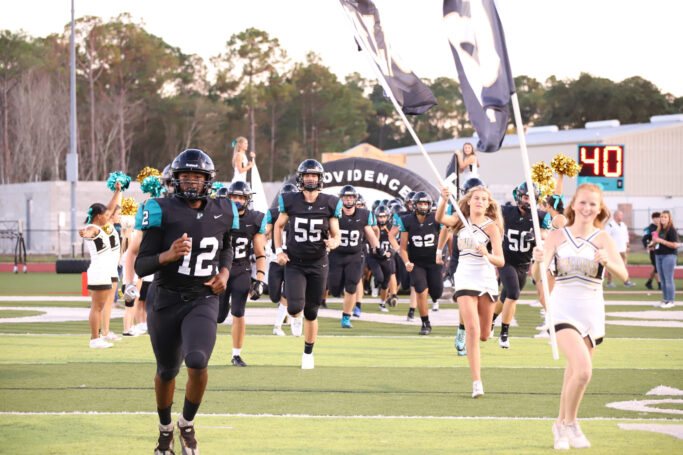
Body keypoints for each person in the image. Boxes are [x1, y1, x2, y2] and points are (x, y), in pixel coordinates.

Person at [134, 149, 237, 454]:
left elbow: (227, 246)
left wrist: (225, 272)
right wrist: (168, 255)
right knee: (167, 370)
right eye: (186, 176)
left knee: (197, 361)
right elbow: (142, 265)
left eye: (197, 177)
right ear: (175, 179)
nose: (191, 182)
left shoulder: (224, 209)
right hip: (165, 299)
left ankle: (186, 424)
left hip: (203, 298)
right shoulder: (159, 208)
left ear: (208, 180)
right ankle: (165, 429)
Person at [531, 183, 627, 450]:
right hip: (562, 308)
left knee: (573, 373)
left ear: (600, 209)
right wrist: (538, 260)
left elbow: (624, 275)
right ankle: (570, 424)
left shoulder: (604, 238)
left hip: (592, 311)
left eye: (592, 204)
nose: (587, 208)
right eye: (582, 203)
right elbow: (537, 276)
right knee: (583, 372)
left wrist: (608, 261)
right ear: (573, 204)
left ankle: (559, 425)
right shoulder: (557, 236)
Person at [435, 183, 504, 398]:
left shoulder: (492, 227)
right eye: (476, 198)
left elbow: (500, 261)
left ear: (488, 204)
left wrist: (486, 253)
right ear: (469, 201)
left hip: (485, 279)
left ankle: (490, 324)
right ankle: (477, 383)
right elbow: (440, 219)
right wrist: (443, 199)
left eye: (484, 199)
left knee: (483, 335)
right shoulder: (459, 220)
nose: (480, 201)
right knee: (472, 330)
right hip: (464, 277)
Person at [273, 159, 341, 369]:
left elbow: (336, 234)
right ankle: (295, 316)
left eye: (314, 175)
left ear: (320, 179)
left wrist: (334, 242)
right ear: (301, 178)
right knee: (295, 308)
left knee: (312, 312)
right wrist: (279, 250)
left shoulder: (329, 202)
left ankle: (308, 354)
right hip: (295, 262)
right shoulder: (290, 200)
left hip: (318, 263)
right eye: (307, 175)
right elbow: (278, 226)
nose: (310, 178)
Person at [491, 182, 551, 349]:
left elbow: (548, 234)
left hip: (524, 264)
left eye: (531, 198)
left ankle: (490, 321)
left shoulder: (540, 216)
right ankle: (504, 333)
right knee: (514, 293)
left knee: (505, 297)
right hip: (506, 260)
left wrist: (539, 236)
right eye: (525, 197)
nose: (528, 201)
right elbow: (488, 214)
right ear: (519, 197)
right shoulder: (506, 211)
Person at [217, 181, 267, 367]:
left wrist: (260, 280)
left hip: (241, 269)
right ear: (228, 197)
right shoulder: (219, 216)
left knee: (239, 312)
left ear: (247, 199)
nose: (237, 200)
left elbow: (260, 252)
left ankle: (236, 354)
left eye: (241, 197)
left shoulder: (254, 219)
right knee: (218, 317)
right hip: (220, 270)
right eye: (234, 197)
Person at [329, 185, 380, 328]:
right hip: (336, 255)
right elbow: (327, 231)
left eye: (351, 197)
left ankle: (346, 317)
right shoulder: (335, 214)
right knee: (334, 289)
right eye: (346, 197)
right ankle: (336, 293)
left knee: (351, 286)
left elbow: (370, 232)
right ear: (341, 198)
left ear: (355, 199)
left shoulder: (363, 215)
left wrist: (377, 247)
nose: (349, 200)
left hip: (355, 256)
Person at [79, 181, 123, 348]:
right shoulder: (93, 228)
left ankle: (98, 337)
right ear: (98, 216)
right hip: (99, 272)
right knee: (97, 307)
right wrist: (85, 234)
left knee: (100, 305)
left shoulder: (100, 225)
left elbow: (111, 207)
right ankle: (95, 339)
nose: (108, 216)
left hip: (103, 271)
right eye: (105, 215)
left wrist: (117, 191)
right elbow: (89, 233)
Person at [398, 192, 447, 336]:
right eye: (420, 203)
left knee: (437, 291)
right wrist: (406, 262)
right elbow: (403, 247)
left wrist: (443, 254)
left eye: (425, 203)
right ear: (414, 205)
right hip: (416, 262)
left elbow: (446, 235)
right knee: (420, 290)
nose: (423, 206)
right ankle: (425, 323)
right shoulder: (406, 220)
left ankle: (434, 300)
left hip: (433, 261)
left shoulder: (436, 218)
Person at [265, 183, 297, 336]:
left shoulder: (300, 214)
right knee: (274, 296)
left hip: (293, 260)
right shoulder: (273, 213)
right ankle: (284, 313)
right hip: (275, 258)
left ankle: (277, 326)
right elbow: (265, 231)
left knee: (288, 293)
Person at [365, 204, 399, 314]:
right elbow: (367, 243)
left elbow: (396, 244)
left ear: (388, 217)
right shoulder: (372, 228)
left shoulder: (391, 228)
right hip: (374, 257)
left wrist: (391, 252)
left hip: (386, 258)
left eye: (384, 217)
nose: (382, 219)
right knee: (379, 278)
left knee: (385, 283)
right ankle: (375, 283)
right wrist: (372, 249)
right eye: (380, 217)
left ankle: (383, 303)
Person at [653, 210, 679, 308]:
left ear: (669, 219)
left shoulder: (671, 230)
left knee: (668, 279)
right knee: (662, 279)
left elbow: (675, 245)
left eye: (665, 217)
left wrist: (661, 241)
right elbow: (657, 242)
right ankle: (665, 300)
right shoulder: (659, 230)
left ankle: (671, 301)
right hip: (659, 255)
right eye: (662, 217)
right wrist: (652, 243)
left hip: (669, 256)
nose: (663, 219)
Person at [604, 210, 635, 287]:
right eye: (620, 215)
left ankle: (626, 282)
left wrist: (627, 246)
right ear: (615, 216)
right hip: (613, 250)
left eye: (622, 215)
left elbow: (626, 236)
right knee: (613, 266)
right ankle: (609, 282)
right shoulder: (610, 225)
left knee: (624, 266)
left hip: (623, 249)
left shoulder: (623, 225)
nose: (621, 217)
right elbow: (606, 237)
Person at [642, 212, 661, 291]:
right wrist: (649, 246)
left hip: (662, 250)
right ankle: (660, 285)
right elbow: (644, 239)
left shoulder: (662, 227)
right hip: (653, 250)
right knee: (657, 267)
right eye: (655, 218)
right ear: (653, 219)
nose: (657, 219)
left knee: (656, 267)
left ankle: (649, 282)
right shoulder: (649, 228)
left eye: (658, 217)